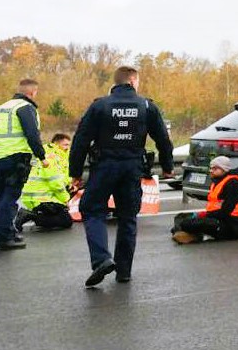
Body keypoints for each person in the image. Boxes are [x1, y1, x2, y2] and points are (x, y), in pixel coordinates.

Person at [70, 65, 174, 287]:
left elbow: (80, 140)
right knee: (128, 217)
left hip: (104, 166)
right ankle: (124, 271)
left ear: (115, 83)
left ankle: (101, 259)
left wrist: (75, 173)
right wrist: (167, 167)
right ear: (133, 81)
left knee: (92, 209)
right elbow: (163, 140)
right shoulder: (147, 106)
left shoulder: (100, 105)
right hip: (132, 168)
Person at [0, 78, 47, 250]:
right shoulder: (25, 107)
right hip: (17, 158)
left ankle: (6, 232)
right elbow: (32, 134)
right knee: (10, 197)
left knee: (1, 198)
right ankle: (3, 238)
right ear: (32, 92)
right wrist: (42, 156)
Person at [171, 156, 238, 244]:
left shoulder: (233, 184)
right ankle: (190, 233)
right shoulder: (217, 181)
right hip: (217, 217)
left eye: (215, 168)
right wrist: (201, 215)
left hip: (234, 221)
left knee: (191, 223)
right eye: (211, 168)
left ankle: (195, 235)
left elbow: (225, 211)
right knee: (180, 217)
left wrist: (205, 215)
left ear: (224, 169)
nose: (211, 170)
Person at [15, 132, 74, 232]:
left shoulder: (53, 155)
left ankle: (39, 216)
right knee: (66, 221)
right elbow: (55, 183)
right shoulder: (52, 158)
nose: (67, 148)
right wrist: (65, 199)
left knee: (61, 217)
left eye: (69, 145)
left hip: (41, 196)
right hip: (41, 197)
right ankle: (30, 215)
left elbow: (63, 178)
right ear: (56, 144)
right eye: (65, 145)